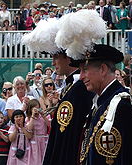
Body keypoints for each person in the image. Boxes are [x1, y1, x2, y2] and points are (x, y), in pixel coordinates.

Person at [22, 17, 93, 165]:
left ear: (68, 57)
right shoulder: (71, 86)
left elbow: (72, 134)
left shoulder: (80, 88)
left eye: (55, 57)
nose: (53, 62)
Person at [77, 44, 132, 165]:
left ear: (103, 69)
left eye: (84, 70)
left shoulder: (120, 105)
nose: (81, 77)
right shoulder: (101, 103)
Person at [26, 99, 50, 165]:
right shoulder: (28, 118)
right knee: (35, 160)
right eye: (34, 108)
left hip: (44, 139)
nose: (37, 110)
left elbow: (49, 125)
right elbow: (29, 129)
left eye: (38, 108)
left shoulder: (44, 116)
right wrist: (33, 116)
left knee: (44, 158)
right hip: (34, 141)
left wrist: (43, 115)